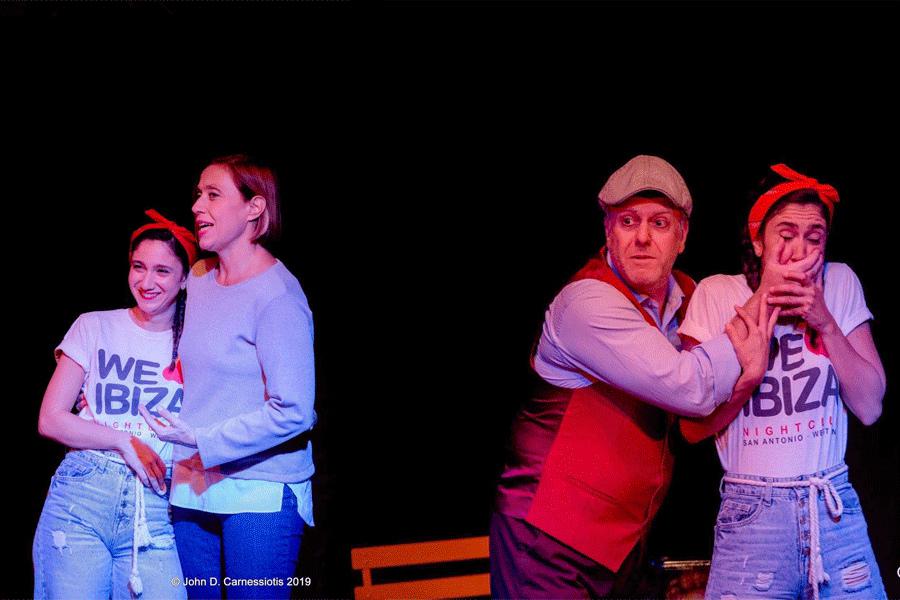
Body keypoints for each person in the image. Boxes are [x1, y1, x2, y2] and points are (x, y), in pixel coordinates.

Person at [490, 155, 797, 598]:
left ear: (682, 236)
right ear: (608, 232)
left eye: (659, 223)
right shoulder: (586, 303)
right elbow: (691, 387)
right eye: (628, 221)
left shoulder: (689, 296)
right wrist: (768, 295)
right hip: (546, 542)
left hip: (623, 548)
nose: (642, 238)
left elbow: (701, 413)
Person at [678, 163, 887, 599]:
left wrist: (825, 322)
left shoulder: (839, 282)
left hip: (832, 506)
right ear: (758, 241)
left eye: (814, 238)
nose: (800, 251)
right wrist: (761, 316)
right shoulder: (718, 294)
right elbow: (692, 428)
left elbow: (870, 406)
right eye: (786, 235)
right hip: (753, 514)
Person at [142, 154, 316, 600]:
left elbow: (294, 412)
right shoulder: (199, 279)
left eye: (213, 195)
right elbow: (157, 331)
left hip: (259, 489)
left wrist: (204, 439)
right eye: (198, 194)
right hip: (193, 488)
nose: (197, 205)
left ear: (254, 207)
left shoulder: (278, 296)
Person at [33, 210, 197, 599]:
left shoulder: (197, 344)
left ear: (185, 278)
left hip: (156, 502)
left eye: (162, 270)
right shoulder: (94, 326)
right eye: (139, 267)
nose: (146, 281)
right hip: (83, 495)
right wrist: (123, 440)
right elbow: (50, 419)